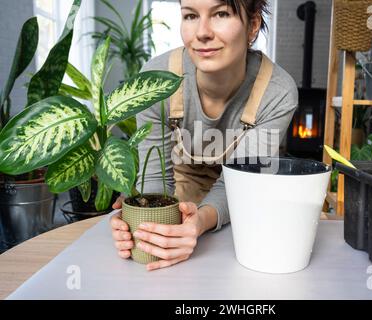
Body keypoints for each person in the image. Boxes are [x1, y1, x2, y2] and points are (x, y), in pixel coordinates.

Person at [110, 0, 299, 271]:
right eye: (190, 16)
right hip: (176, 195)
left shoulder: (277, 93)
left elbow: (239, 184)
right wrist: (140, 224)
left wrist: (199, 221)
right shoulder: (156, 80)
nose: (202, 32)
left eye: (221, 14)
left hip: (242, 207)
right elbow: (154, 181)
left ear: (253, 25)